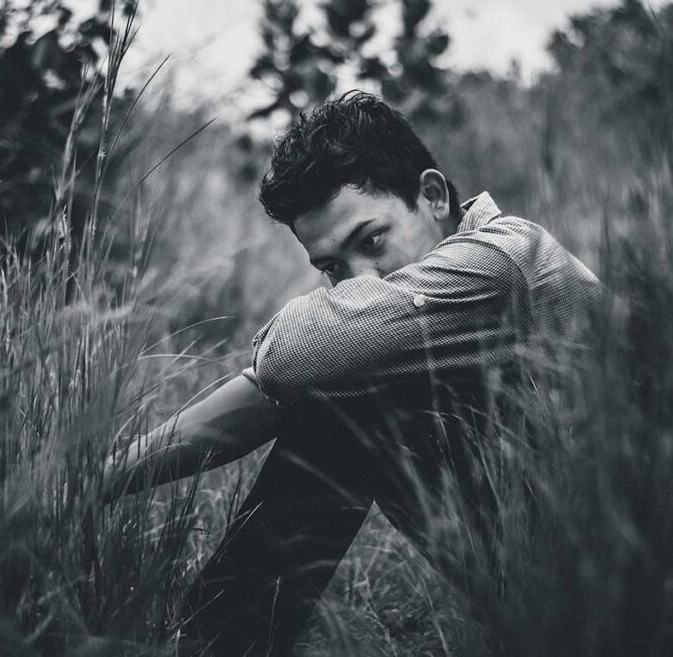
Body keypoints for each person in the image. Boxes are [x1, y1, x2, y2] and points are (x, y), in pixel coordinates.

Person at [101, 91, 601, 654]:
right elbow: (271, 386)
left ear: (433, 196)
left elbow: (294, 355)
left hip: (632, 593)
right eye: (334, 267)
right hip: (545, 587)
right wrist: (99, 481)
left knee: (346, 396)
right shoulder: (413, 316)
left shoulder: (505, 260)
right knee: (343, 385)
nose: (360, 279)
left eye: (371, 241)